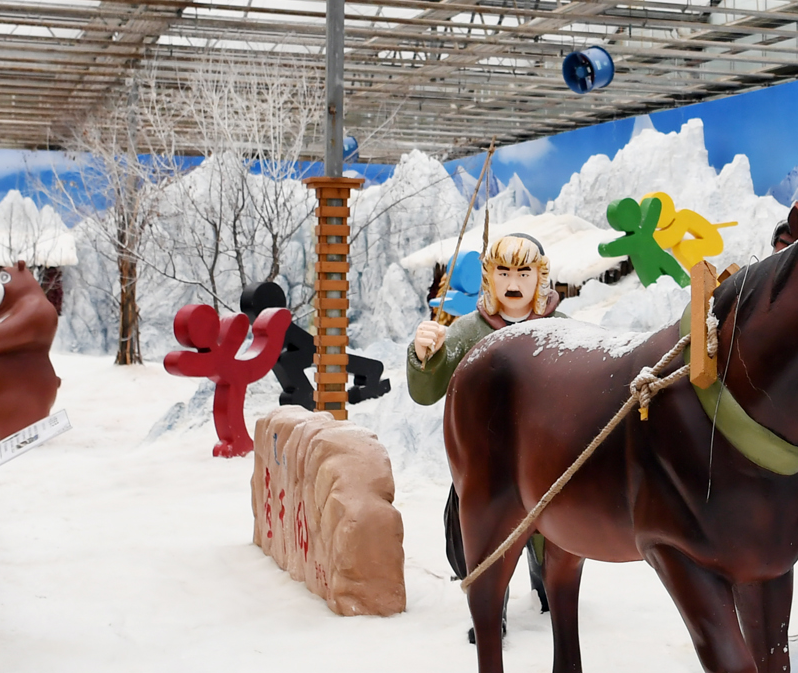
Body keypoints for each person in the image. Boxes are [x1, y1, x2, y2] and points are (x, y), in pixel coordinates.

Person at [411, 234, 561, 624]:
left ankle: (551, 595)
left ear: (540, 277)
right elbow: (427, 392)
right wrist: (426, 356)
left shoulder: (562, 331)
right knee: (485, 543)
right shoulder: (467, 332)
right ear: (489, 277)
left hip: (547, 465)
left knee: (553, 541)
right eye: (503, 271)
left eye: (524, 272)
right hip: (486, 467)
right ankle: (492, 613)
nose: (513, 282)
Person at [239, 281, 389, 409]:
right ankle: (306, 395)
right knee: (286, 360)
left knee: (288, 360)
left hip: (307, 350)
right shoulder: (275, 331)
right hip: (305, 351)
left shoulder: (282, 329)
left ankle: (371, 371)